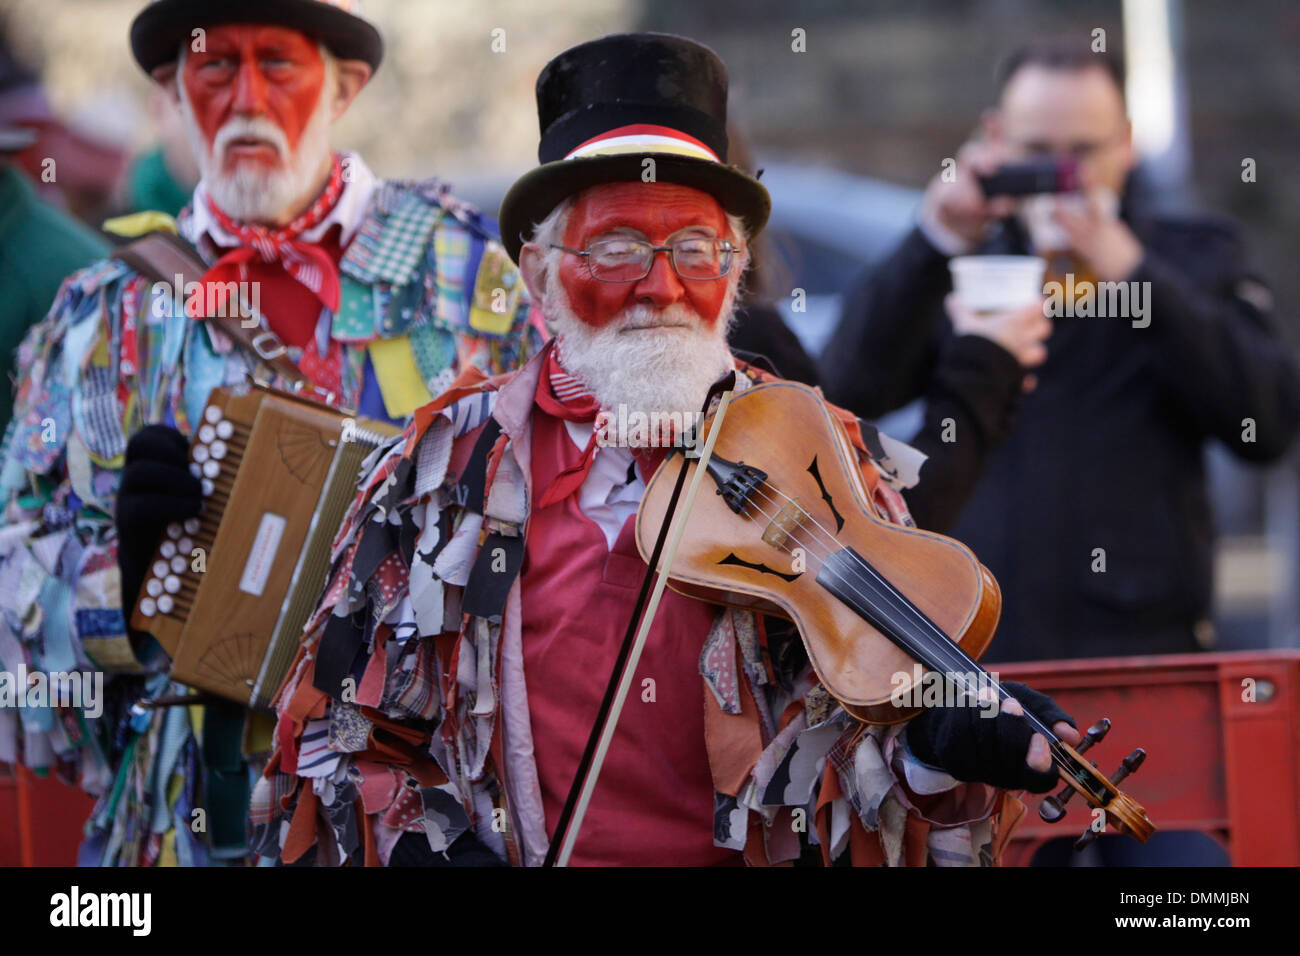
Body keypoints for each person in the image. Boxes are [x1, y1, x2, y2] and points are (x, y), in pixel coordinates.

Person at [258, 33, 1081, 868]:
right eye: (616, 249)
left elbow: (864, 798)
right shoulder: (436, 469)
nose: (662, 287)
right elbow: (339, 743)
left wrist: (937, 754)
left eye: (696, 249)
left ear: (736, 267)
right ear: (540, 274)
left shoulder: (829, 458)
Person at [0, 0, 540, 867]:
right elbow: (12, 593)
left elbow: (563, 532)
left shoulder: (472, 283)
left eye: (279, 65)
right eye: (216, 68)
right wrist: (125, 572)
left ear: (344, 86)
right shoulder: (101, 318)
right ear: (175, 90)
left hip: (414, 816)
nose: (246, 97)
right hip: (184, 817)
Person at [820, 37, 1300, 664]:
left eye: (1083, 153)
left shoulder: (1196, 256)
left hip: (1143, 649)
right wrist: (935, 240)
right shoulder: (965, 264)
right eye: (1038, 155)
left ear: (1126, 142)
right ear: (995, 141)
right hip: (981, 651)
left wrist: (1134, 273)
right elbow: (841, 393)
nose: (1062, 177)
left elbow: (1267, 424)